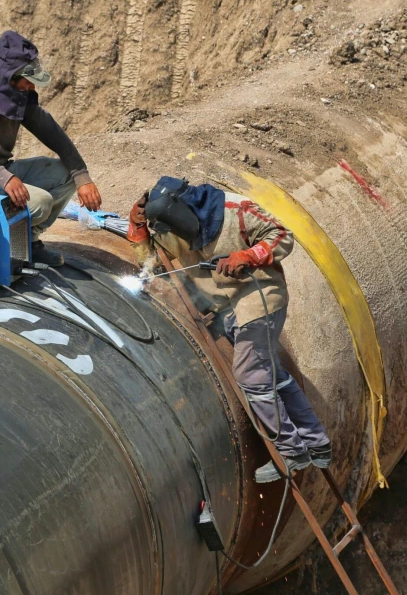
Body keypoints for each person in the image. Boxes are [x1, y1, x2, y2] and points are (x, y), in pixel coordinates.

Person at [128, 176, 331, 483]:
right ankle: (317, 444)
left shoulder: (236, 210)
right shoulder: (167, 227)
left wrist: (247, 256)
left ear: (184, 209)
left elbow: (281, 235)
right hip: (227, 309)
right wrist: (138, 228)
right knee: (272, 375)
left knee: (252, 376)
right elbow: (151, 264)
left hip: (260, 297)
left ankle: (291, 451)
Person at [0, 30, 102, 267]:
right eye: (28, 81)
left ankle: (28, 240)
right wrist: (4, 177)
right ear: (10, 78)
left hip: (1, 174)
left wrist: (82, 176)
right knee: (40, 202)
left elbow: (55, 136)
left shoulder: (17, 98)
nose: (31, 87)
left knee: (66, 175)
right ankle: (5, 247)